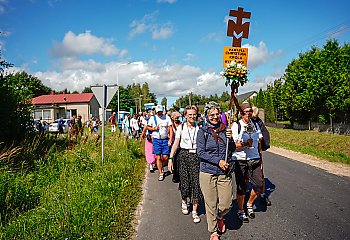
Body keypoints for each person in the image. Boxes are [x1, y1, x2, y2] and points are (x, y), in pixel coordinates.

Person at [196, 101, 236, 240]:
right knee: (211, 203)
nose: (214, 116)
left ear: (220, 114)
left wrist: (230, 140)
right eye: (211, 114)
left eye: (217, 113)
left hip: (224, 172)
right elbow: (200, 152)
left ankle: (220, 216)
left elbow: (231, 149)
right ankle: (213, 231)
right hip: (208, 172)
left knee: (226, 203)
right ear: (207, 116)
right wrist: (218, 161)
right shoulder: (203, 131)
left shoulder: (226, 130)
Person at [231, 102, 264, 223]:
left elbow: (260, 140)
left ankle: (249, 204)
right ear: (241, 113)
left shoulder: (255, 124)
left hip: (254, 158)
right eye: (246, 111)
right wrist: (245, 144)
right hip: (240, 159)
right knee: (241, 187)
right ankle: (240, 210)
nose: (249, 113)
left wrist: (260, 154)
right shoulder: (236, 125)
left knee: (259, 184)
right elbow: (232, 146)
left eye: (250, 111)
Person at [168, 106, 202, 224]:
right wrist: (171, 158)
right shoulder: (181, 128)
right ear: (186, 116)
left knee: (196, 183)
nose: (192, 117)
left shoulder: (200, 128)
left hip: (196, 157)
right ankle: (184, 200)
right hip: (183, 156)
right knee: (185, 182)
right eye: (190, 115)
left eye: (194, 115)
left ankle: (194, 210)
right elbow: (176, 143)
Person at [147, 105, 173, 181]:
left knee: (165, 157)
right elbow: (147, 127)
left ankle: (160, 164)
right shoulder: (152, 118)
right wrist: (153, 128)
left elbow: (170, 129)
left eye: (160, 111)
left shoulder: (167, 118)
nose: (159, 113)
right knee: (158, 157)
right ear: (155, 111)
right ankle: (161, 173)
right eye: (158, 112)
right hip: (156, 140)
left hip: (165, 139)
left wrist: (170, 139)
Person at [252, 106, 271, 206]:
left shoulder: (259, 123)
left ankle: (263, 195)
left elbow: (264, 135)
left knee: (261, 174)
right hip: (247, 151)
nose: (254, 118)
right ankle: (247, 192)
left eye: (255, 117)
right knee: (246, 175)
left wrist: (263, 143)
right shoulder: (245, 122)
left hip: (257, 151)